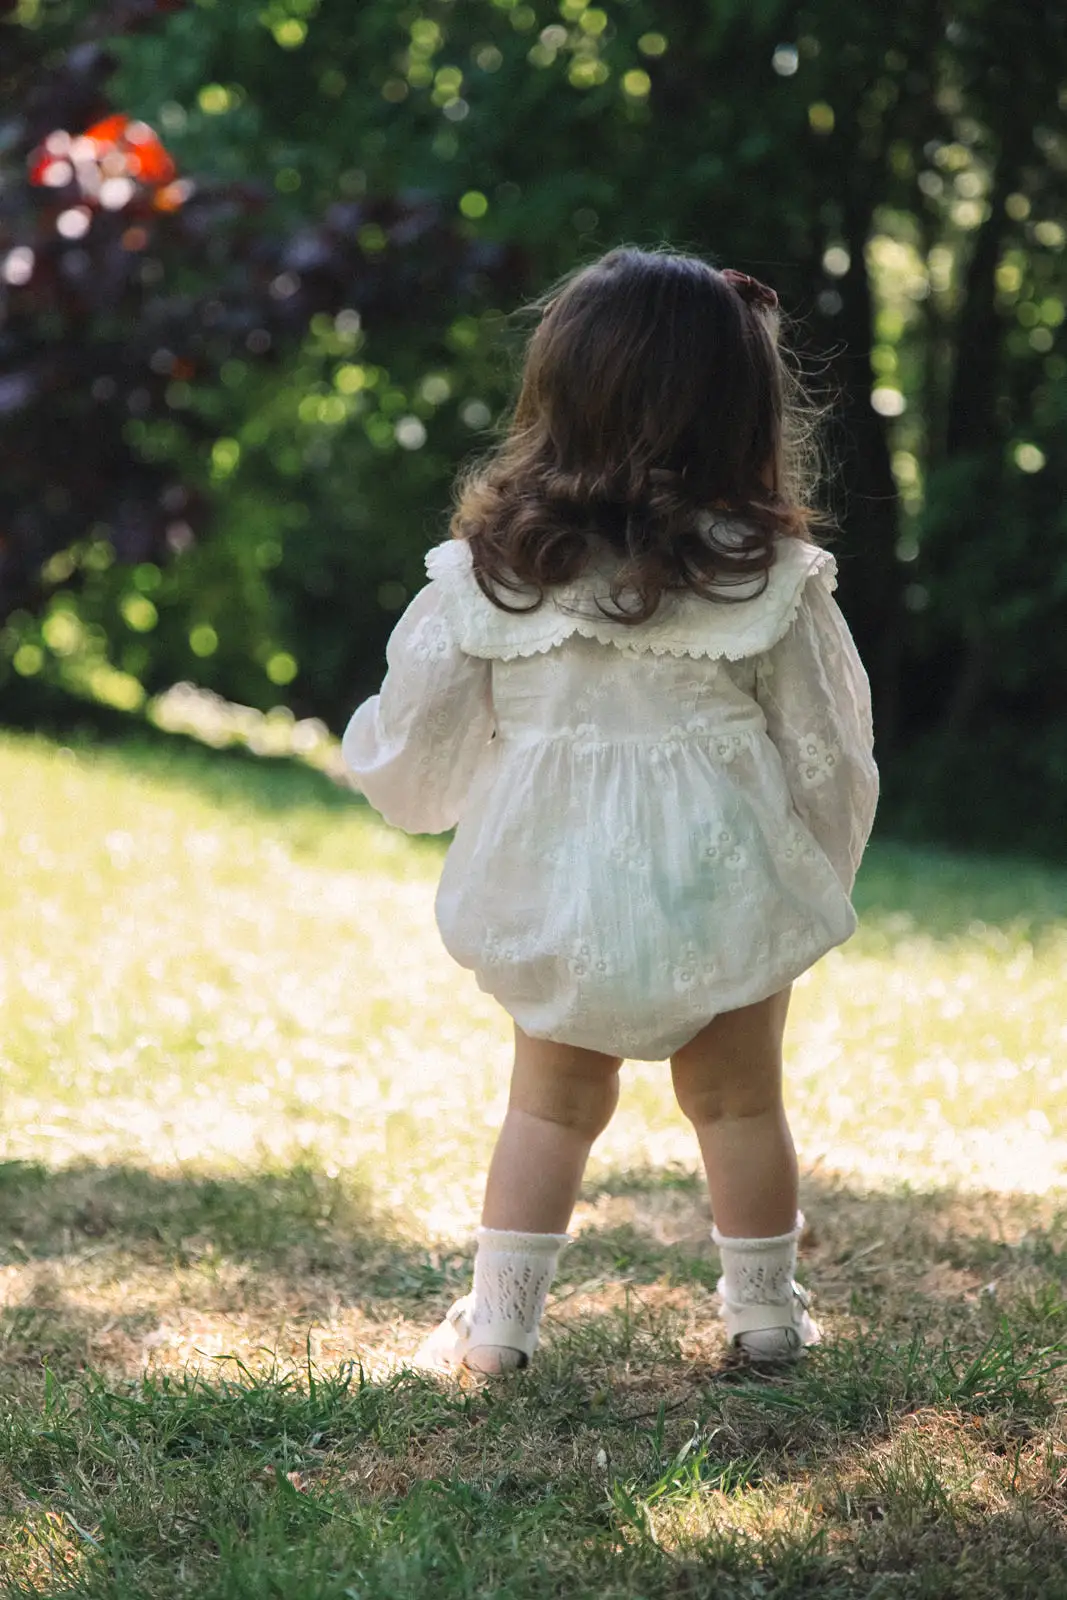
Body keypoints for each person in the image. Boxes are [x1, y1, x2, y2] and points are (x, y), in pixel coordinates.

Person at [343, 248, 878, 1373]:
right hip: (720, 876)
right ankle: (763, 1313)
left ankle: (499, 1327)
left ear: (556, 397)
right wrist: (817, 863)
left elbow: (415, 732)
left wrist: (395, 778)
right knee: (737, 1102)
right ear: (739, 410)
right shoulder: (764, 575)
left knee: (547, 1104)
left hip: (559, 882)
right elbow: (826, 750)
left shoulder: (493, 572)